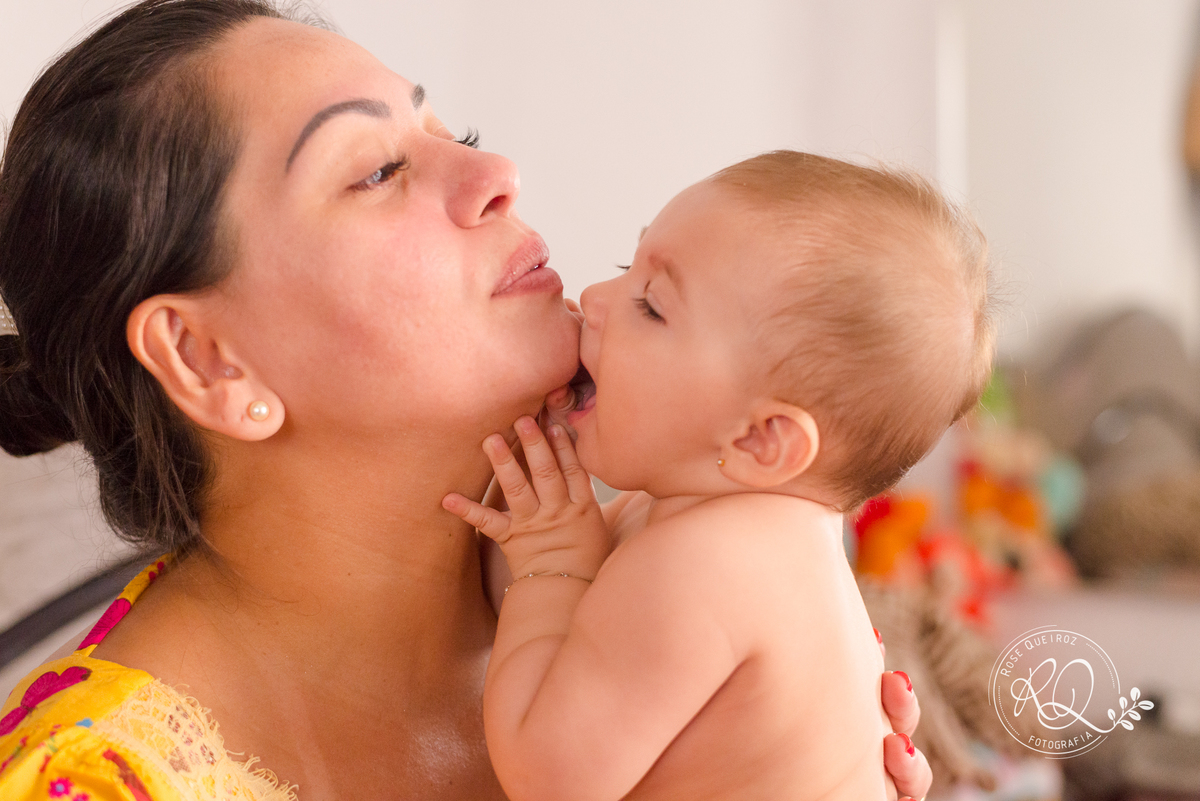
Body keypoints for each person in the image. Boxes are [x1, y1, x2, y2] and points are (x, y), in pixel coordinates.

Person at [0, 1, 933, 798]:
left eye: (459, 137)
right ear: (209, 361)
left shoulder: (654, 582)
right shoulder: (95, 779)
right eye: (377, 170)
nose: (500, 176)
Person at [445, 152, 991, 801]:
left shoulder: (704, 567)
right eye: (626, 267)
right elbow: (520, 605)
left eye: (651, 305)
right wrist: (544, 543)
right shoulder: (715, 526)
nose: (593, 299)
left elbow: (548, 777)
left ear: (762, 439)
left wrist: (551, 564)